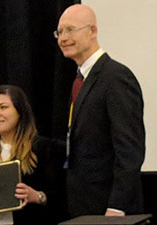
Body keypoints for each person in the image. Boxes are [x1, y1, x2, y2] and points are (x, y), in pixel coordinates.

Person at [55, 4, 145, 218]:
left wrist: (117, 206)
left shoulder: (116, 77)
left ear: (92, 31)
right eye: (59, 32)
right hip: (83, 206)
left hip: (110, 211)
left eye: (70, 30)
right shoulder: (80, 80)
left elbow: (129, 150)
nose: (63, 38)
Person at [0, 85, 66, 225]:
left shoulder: (46, 149)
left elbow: (63, 197)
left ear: (20, 111)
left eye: (3, 107)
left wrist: (38, 196)